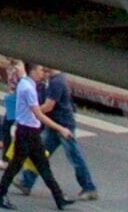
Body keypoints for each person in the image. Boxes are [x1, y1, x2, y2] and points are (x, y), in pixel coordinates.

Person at [0, 60, 71, 211]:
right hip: (27, 132)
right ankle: (0, 195)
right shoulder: (28, 88)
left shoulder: (26, 84)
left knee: (43, 166)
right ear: (33, 72)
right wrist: (61, 128)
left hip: (30, 131)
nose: (43, 73)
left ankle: (59, 197)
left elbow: (22, 74)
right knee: (16, 165)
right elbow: (38, 114)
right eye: (40, 70)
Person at [37, 64, 97, 202]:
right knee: (40, 154)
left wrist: (33, 111)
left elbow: (48, 106)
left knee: (75, 157)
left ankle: (89, 188)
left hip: (63, 126)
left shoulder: (56, 81)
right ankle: (26, 181)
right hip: (55, 124)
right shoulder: (54, 78)